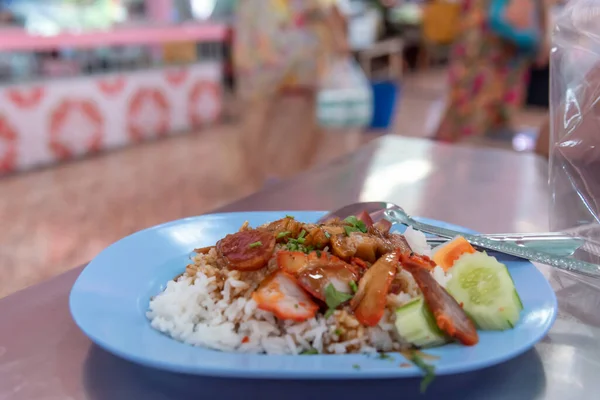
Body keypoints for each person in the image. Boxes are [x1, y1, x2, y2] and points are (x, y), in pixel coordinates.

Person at [232, 0, 348, 185]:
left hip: (258, 27)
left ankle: (251, 179)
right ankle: (298, 174)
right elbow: (323, 5)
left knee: (259, 106)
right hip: (295, 29)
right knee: (308, 107)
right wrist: (339, 35)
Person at [434, 0, 549, 142]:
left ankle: (456, 153)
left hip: (486, 47)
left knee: (470, 109)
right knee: (478, 114)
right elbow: (518, 19)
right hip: (491, 52)